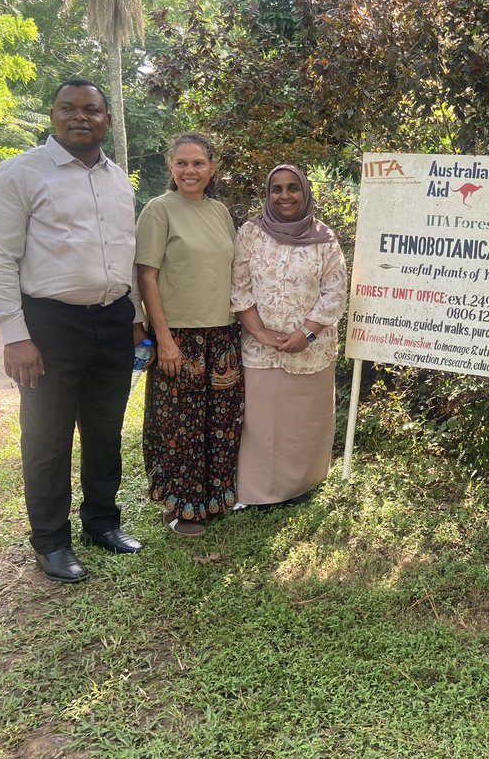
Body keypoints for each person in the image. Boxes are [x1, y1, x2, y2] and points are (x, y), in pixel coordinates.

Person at [0, 78, 146, 584]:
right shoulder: (20, 174)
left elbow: (125, 253)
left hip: (113, 320)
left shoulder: (119, 179)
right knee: (47, 438)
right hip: (49, 325)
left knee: (104, 431)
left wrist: (134, 315)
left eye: (91, 109)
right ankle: (50, 541)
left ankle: (102, 522)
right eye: (68, 109)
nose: (80, 117)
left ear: (107, 120)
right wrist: (14, 334)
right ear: (52, 115)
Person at [135, 133, 243, 537]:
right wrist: (163, 338)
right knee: (180, 427)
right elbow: (146, 275)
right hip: (180, 336)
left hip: (223, 336)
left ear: (212, 168)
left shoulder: (219, 212)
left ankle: (214, 500)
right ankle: (183, 508)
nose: (190, 171)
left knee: (221, 423)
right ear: (171, 168)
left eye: (198, 163)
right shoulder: (159, 210)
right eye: (182, 163)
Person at [230, 165, 347, 508]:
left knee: (303, 422)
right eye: (276, 189)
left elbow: (335, 293)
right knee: (261, 423)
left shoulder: (325, 239)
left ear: (305, 191)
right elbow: (238, 286)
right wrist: (260, 332)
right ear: (266, 195)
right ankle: (256, 492)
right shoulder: (251, 233)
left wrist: (306, 334)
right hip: (259, 349)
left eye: (292, 188)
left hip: (311, 349)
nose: (284, 196)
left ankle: (301, 485)